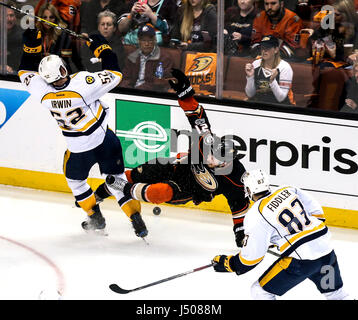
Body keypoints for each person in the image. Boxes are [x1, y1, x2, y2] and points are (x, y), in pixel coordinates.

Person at [17, 28, 148, 239]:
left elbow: (25, 71)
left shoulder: (43, 92)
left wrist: (31, 48)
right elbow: (115, 72)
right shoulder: (83, 84)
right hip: (105, 140)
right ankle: (135, 217)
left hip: (79, 150)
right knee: (116, 179)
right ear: (62, 68)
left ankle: (95, 216)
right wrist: (100, 47)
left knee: (75, 181)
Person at [106, 69, 250, 247]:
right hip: (176, 166)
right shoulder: (206, 139)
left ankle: (124, 189)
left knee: (159, 192)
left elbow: (239, 207)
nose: (210, 159)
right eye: (211, 153)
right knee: (130, 174)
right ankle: (97, 199)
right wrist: (185, 93)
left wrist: (240, 232)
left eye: (217, 159)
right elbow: (196, 114)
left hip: (189, 188)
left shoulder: (236, 178)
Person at [212, 169, 351, 300]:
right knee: (336, 294)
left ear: (248, 190)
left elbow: (251, 259)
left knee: (260, 291)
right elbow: (316, 212)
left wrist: (230, 263)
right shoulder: (287, 189)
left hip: (301, 263)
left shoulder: (256, 214)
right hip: (326, 252)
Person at [120, 23, 173, 90]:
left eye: (150, 40)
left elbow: (162, 83)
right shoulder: (132, 57)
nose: (147, 44)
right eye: (143, 40)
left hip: (151, 95)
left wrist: (139, 90)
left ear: (155, 40)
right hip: (132, 92)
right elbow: (125, 78)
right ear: (138, 41)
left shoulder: (165, 58)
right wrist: (127, 90)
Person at [245, 35, 295, 105]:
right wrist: (250, 77)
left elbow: (281, 98)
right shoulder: (255, 64)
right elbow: (250, 94)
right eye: (262, 47)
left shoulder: (285, 67)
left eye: (267, 48)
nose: (264, 51)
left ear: (276, 50)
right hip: (259, 103)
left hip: (279, 106)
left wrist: (272, 81)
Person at [36, 3, 84, 73]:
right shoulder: (34, 34)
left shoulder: (64, 36)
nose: (48, 20)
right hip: (38, 72)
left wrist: (52, 58)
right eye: (44, 17)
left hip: (60, 72)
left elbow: (67, 60)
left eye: (51, 17)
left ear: (56, 18)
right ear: (40, 18)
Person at [6, 2, 23, 74]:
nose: (9, 19)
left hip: (14, 73)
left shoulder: (21, 35)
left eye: (11, 15)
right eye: (5, 15)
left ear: (15, 18)